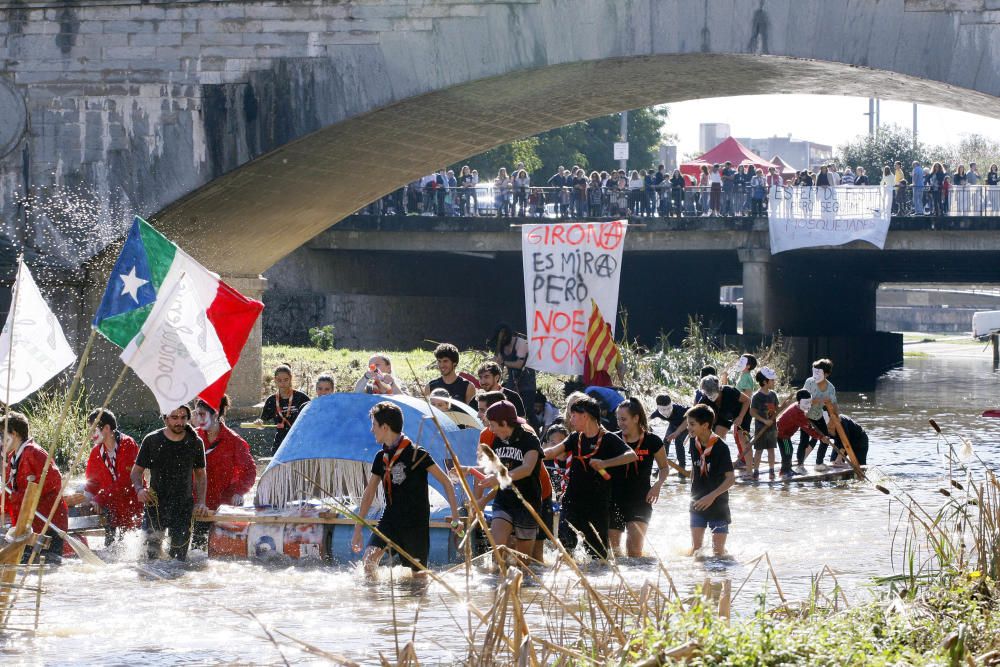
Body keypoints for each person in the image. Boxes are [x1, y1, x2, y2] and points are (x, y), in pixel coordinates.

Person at [351, 401, 461, 576]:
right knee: (369, 562)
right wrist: (358, 529)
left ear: (385, 427)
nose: (372, 430)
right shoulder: (381, 457)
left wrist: (455, 518)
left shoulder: (417, 454)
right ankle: (375, 602)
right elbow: (369, 492)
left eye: (374, 425)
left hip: (415, 523)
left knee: (418, 577)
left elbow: (446, 482)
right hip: (390, 519)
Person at [543, 397, 636, 559]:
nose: (570, 420)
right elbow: (552, 452)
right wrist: (530, 454)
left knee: (597, 556)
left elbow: (631, 455)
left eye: (573, 416)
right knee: (564, 549)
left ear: (585, 416)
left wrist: (605, 463)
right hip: (572, 501)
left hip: (598, 504)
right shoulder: (574, 437)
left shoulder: (608, 438)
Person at [131, 406, 208, 561]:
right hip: (156, 506)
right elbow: (136, 472)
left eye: (183, 417)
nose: (179, 422)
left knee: (178, 562)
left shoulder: (195, 442)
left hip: (183, 508)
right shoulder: (152, 440)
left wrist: (201, 502)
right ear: (165, 418)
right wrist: (139, 489)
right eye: (174, 417)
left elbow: (201, 476)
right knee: (149, 560)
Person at [476, 401, 544, 565]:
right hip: (504, 500)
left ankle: (520, 588)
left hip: (527, 502)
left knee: (523, 562)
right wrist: (466, 469)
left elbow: (527, 468)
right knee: (497, 550)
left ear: (504, 423)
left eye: (492, 425)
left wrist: (500, 477)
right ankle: (497, 585)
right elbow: (492, 468)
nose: (490, 429)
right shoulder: (498, 440)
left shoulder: (530, 439)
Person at [2, 411, 69, 563]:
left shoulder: (34, 452)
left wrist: (20, 496)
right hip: (27, 526)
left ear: (14, 434)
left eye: (1, 435)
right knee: (26, 570)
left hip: (48, 524)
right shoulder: (14, 457)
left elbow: (55, 480)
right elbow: (9, 491)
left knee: (46, 573)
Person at [191, 396, 256, 551]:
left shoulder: (234, 441)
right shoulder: (192, 438)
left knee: (224, 554)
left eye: (202, 415)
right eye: (197, 414)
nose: (198, 419)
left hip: (224, 508)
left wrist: (240, 492)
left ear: (215, 414)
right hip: (199, 505)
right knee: (196, 553)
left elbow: (250, 471)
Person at [609, 398, 668, 558]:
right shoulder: (612, 440)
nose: (620, 423)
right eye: (618, 419)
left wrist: (657, 485)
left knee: (634, 552)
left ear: (636, 418)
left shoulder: (652, 440)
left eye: (624, 419)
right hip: (614, 500)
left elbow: (664, 468)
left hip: (641, 500)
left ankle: (636, 582)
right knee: (613, 554)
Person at [84, 408, 142, 546]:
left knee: (133, 551)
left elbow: (126, 481)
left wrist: (100, 498)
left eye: (94, 430)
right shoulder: (95, 452)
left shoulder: (128, 444)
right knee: (110, 552)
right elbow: (92, 483)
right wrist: (85, 500)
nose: (91, 435)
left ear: (107, 428)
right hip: (111, 511)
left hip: (131, 507)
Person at [686, 404, 735, 558]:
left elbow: (731, 479)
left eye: (692, 424)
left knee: (718, 552)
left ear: (705, 425)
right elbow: (695, 469)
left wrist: (711, 496)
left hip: (718, 505)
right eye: (688, 424)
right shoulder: (694, 444)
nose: (688, 428)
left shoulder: (721, 447)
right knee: (696, 551)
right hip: (697, 502)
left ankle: (720, 579)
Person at [697, 375, 751, 469]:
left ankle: (750, 470)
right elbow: (695, 413)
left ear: (719, 388)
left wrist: (740, 417)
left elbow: (747, 400)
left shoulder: (729, 391)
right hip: (724, 415)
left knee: (743, 439)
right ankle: (721, 466)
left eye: (713, 393)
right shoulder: (705, 398)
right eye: (708, 394)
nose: (711, 396)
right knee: (716, 439)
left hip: (741, 412)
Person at [776, 390, 832, 477]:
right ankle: (784, 472)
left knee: (789, 450)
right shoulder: (796, 413)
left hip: (785, 434)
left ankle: (788, 469)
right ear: (799, 402)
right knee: (788, 451)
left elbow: (807, 425)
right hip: (782, 435)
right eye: (806, 403)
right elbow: (808, 429)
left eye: (810, 402)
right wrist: (821, 437)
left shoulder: (798, 407)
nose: (809, 406)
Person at [258, 365, 311, 455]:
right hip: (280, 443)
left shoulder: (301, 398)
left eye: (286, 379)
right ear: (275, 380)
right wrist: (258, 423)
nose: (283, 383)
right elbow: (262, 421)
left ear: (291, 378)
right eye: (279, 380)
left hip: (300, 441)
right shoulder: (271, 400)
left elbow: (311, 418)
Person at [799, 359, 839, 468]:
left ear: (826, 374)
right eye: (814, 371)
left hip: (818, 415)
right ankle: (800, 463)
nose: (815, 375)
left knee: (825, 438)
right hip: (806, 416)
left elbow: (834, 404)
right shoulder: (809, 382)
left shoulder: (830, 388)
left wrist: (836, 417)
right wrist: (812, 400)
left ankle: (819, 463)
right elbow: (800, 398)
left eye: (819, 372)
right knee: (804, 440)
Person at [489, 323, 536, 412]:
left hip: (527, 382)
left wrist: (502, 362)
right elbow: (499, 366)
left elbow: (519, 364)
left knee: (528, 411)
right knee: (508, 407)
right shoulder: (501, 346)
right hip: (512, 382)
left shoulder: (521, 343)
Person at [748, 368, 779, 479]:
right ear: (765, 382)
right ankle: (756, 471)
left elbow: (777, 409)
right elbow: (752, 412)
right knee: (759, 450)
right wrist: (764, 421)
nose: (774, 382)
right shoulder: (757, 397)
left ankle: (771, 470)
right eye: (772, 380)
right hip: (760, 428)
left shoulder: (773, 395)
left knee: (771, 449)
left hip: (772, 429)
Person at [649, 393, 689, 475]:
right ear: (658, 408)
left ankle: (682, 467)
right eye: (663, 410)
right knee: (665, 443)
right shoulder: (657, 413)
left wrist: (677, 432)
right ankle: (661, 467)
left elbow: (689, 419)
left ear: (671, 405)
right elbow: (645, 420)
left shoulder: (680, 409)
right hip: (673, 426)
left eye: (669, 408)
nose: (667, 411)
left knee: (678, 442)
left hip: (685, 425)